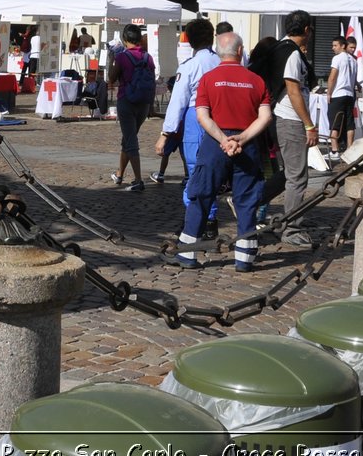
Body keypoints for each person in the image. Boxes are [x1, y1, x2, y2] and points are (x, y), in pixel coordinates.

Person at [174, 32, 273, 272]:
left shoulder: (208, 79)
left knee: (202, 195)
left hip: (214, 144)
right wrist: (242, 139)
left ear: (219, 52)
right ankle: (244, 259)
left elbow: (202, 116)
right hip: (246, 144)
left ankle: (188, 253)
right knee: (247, 200)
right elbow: (265, 116)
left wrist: (222, 139)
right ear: (240, 52)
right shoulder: (256, 80)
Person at [249, 10, 318, 248]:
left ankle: (249, 201)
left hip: (279, 119)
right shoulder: (292, 54)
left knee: (288, 173)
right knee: (298, 177)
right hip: (290, 120)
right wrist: (309, 124)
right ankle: (292, 229)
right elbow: (293, 91)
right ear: (307, 30)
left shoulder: (278, 48)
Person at [154, 18, 220, 236]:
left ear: (190, 41)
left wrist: (166, 133)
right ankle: (210, 219)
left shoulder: (190, 67)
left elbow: (178, 102)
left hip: (196, 120)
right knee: (213, 172)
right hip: (219, 119)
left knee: (194, 171)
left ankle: (196, 221)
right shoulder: (221, 62)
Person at [107, 23, 156, 191]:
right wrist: (150, 104)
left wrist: (112, 58)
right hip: (143, 103)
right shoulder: (147, 57)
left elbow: (111, 78)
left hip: (127, 101)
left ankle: (137, 180)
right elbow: (153, 81)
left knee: (131, 141)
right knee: (128, 138)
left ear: (125, 39)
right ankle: (120, 174)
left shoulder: (122, 57)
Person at [325, 35, 359, 154]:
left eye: (335, 45)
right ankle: (350, 148)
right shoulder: (354, 60)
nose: (333, 48)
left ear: (342, 46)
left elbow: (332, 77)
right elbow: (354, 79)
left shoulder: (338, 58)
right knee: (349, 122)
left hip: (338, 93)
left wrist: (329, 93)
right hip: (349, 94)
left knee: (334, 122)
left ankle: (334, 150)